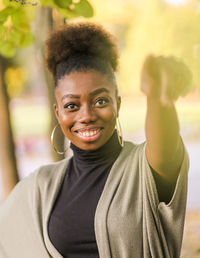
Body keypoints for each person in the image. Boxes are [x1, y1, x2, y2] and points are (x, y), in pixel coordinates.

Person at [0, 22, 191, 258]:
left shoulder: (144, 170)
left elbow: (165, 145)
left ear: (117, 104)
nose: (87, 116)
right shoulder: (40, 187)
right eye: (71, 105)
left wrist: (157, 96)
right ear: (58, 112)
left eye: (100, 101)